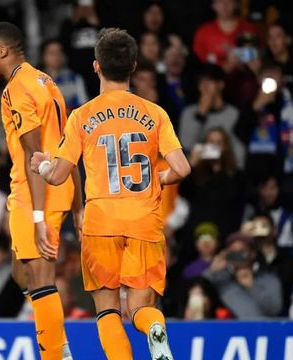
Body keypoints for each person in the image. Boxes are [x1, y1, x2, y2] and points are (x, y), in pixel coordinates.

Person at [30, 28, 190, 360]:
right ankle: (155, 328)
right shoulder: (155, 113)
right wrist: (157, 179)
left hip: (101, 222)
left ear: (96, 67)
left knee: (107, 311)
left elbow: (59, 176)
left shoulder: (82, 116)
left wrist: (41, 166)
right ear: (133, 66)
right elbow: (183, 168)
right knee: (140, 308)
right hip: (144, 220)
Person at [0, 21, 83, 360]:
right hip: (57, 186)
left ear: (2, 51)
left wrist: (37, 216)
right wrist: (78, 205)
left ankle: (56, 352)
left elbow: (35, 155)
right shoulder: (45, 81)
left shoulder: (17, 90)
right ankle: (57, 340)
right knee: (20, 271)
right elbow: (68, 145)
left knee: (38, 275)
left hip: (36, 191)